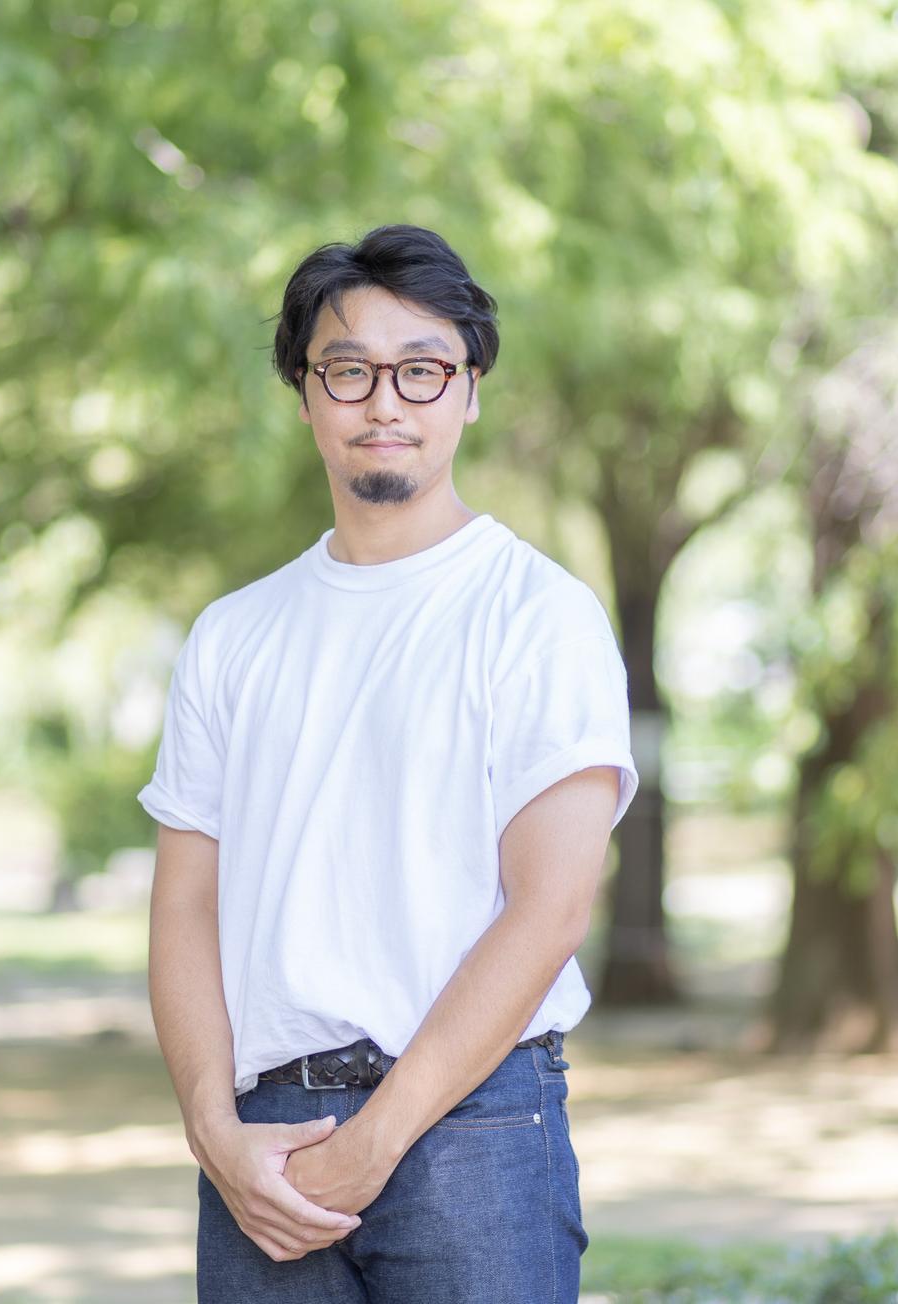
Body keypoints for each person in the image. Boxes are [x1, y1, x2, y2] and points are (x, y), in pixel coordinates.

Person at [138, 224, 638, 1303]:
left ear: (469, 391)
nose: (384, 402)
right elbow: (184, 905)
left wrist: (378, 1138)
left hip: (474, 1128)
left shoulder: (537, 616)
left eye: (422, 370)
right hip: (263, 1140)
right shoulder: (232, 635)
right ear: (305, 393)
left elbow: (549, 907)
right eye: (348, 370)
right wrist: (213, 1131)